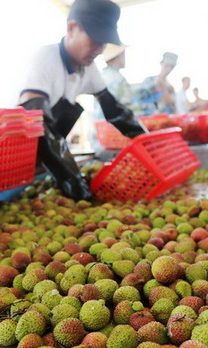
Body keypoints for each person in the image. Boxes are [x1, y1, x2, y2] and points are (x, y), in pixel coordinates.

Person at [18, 0, 145, 200]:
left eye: (104, 43)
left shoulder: (88, 68)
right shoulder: (44, 59)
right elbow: (38, 125)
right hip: (17, 159)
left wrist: (145, 142)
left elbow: (115, 111)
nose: (99, 49)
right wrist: (75, 182)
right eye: (95, 39)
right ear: (71, 28)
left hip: (44, 164)